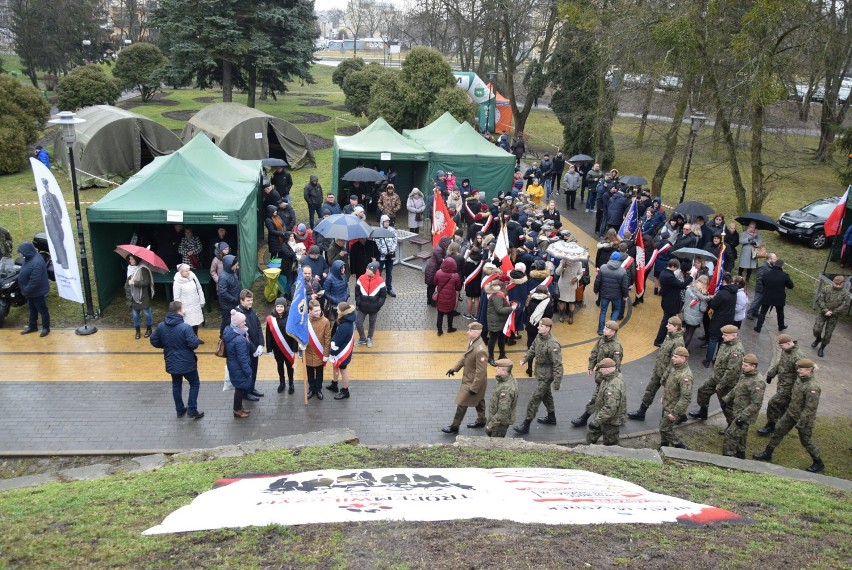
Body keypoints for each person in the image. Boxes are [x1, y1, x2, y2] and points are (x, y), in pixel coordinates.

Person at [753, 359, 824, 473]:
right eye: (798, 368)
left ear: (809, 370)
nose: (798, 371)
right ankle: (768, 453)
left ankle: (818, 462)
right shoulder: (800, 380)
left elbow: (810, 408)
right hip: (791, 413)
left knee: (806, 440)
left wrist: (801, 423)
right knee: (779, 430)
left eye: (801, 369)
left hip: (804, 419)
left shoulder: (813, 387)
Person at [149, 300, 203, 420]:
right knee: (194, 383)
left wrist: (165, 346)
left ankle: (179, 410)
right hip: (187, 362)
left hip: (171, 361)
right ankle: (192, 409)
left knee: (176, 385)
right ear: (179, 311)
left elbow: (154, 340)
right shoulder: (185, 327)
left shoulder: (161, 326)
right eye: (183, 309)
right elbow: (194, 344)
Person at [628, 316, 685, 421]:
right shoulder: (669, 336)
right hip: (659, 370)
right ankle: (641, 412)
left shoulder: (678, 342)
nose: (667, 326)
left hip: (668, 374)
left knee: (670, 396)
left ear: (676, 327)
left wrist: (668, 375)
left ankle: (681, 416)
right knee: (650, 390)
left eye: (669, 325)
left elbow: (675, 361)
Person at [513, 317, 563, 434]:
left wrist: (557, 382)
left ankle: (526, 424)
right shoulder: (539, 337)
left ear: (548, 328)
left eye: (540, 326)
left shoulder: (553, 345)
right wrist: (525, 359)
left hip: (547, 376)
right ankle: (551, 417)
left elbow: (557, 365)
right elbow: (532, 349)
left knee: (535, 399)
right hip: (540, 372)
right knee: (546, 395)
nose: (538, 327)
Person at [572, 320, 624, 427]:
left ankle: (584, 418)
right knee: (608, 400)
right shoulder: (602, 339)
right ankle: (620, 417)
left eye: (607, 329)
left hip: (608, 379)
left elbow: (615, 366)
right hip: (600, 376)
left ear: (613, 332)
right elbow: (594, 352)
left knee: (597, 398)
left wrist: (606, 379)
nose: (604, 329)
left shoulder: (616, 347)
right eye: (604, 327)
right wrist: (591, 366)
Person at [689, 324, 744, 423]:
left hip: (726, 383)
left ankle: (731, 425)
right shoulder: (726, 343)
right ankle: (703, 412)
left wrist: (720, 385)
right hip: (716, 377)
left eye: (725, 335)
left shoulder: (737, 351)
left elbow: (731, 372)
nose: (723, 336)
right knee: (703, 391)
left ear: (734, 335)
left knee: (726, 405)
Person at [442, 322, 489, 433]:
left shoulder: (481, 350)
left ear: (477, 333)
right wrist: (455, 368)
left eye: (470, 331)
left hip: (473, 382)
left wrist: (474, 388)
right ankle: (482, 420)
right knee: (479, 401)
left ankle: (454, 426)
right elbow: (465, 357)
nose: (467, 332)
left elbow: (481, 372)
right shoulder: (473, 342)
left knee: (462, 402)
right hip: (470, 380)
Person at [720, 353, 765, 458]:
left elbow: (756, 404)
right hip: (738, 410)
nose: (742, 367)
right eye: (743, 364)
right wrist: (726, 399)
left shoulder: (757, 382)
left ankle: (728, 457)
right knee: (741, 434)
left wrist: (742, 418)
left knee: (730, 435)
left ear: (753, 366)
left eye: (745, 365)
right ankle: (740, 453)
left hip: (744, 415)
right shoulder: (745, 374)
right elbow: (737, 388)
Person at [757, 334, 804, 436]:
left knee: (773, 403)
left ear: (789, 343)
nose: (779, 348)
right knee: (782, 407)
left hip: (789, 388)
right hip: (782, 384)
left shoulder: (798, 357)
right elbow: (781, 362)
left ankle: (771, 425)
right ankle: (780, 427)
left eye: (781, 345)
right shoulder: (786, 350)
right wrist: (771, 373)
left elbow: (801, 375)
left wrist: (796, 392)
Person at [585, 358, 627, 445]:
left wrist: (596, 421)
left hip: (611, 421)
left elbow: (610, 408)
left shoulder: (613, 386)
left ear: (608, 369)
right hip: (602, 416)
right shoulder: (611, 377)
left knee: (610, 444)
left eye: (601, 369)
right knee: (592, 434)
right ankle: (587, 450)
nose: (599, 371)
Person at [233, 289, 265, 401]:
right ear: (241, 301)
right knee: (247, 371)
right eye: (248, 300)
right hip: (246, 350)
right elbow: (243, 334)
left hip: (255, 347)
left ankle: (251, 388)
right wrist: (253, 348)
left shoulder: (252, 311)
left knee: (254, 370)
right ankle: (246, 393)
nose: (250, 302)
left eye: (251, 300)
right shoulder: (238, 314)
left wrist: (261, 344)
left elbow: (258, 327)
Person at [659, 347, 693, 449]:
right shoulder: (675, 367)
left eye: (675, 357)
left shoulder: (685, 376)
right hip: (667, 403)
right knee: (663, 426)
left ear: (683, 359)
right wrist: (664, 397)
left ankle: (680, 447)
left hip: (673, 407)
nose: (672, 358)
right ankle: (664, 446)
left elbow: (685, 397)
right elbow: (671, 386)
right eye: (673, 356)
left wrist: (675, 413)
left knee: (664, 428)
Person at [223, 309, 254, 418]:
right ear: (237, 323)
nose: (245, 323)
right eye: (243, 322)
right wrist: (248, 371)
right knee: (239, 389)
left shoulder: (230, 332)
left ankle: (239, 408)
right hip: (238, 368)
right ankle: (237, 410)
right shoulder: (239, 340)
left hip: (233, 365)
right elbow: (242, 359)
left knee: (239, 388)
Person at [703, 273, 737, 366]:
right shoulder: (734, 292)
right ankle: (717, 360)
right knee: (722, 341)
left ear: (724, 282)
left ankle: (708, 361)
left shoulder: (722, 293)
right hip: (728, 320)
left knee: (713, 340)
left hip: (718, 319)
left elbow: (714, 305)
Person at [17, 242, 51, 337]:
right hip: (31, 293)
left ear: (27, 252)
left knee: (42, 310)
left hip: (37, 292)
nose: (21, 254)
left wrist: (26, 290)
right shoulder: (30, 258)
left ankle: (46, 328)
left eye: (22, 252)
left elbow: (35, 281)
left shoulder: (36, 263)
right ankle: (32, 326)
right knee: (32, 310)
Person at [811, 275, 850, 357]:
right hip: (823, 313)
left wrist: (832, 312)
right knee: (816, 329)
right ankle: (818, 339)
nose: (838, 285)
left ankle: (822, 347)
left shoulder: (845, 293)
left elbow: (844, 306)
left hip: (834, 316)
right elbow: (820, 300)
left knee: (828, 333)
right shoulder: (826, 289)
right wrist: (825, 310)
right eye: (836, 283)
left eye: (840, 284)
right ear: (833, 282)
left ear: (843, 283)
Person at [266, 297, 298, 395]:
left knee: (289, 366)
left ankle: (291, 383)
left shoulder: (290, 317)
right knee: (280, 365)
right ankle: (282, 382)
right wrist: (269, 349)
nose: (279, 308)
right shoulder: (271, 319)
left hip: (288, 348)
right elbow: (268, 334)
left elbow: (294, 334)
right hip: (277, 348)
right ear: (275, 307)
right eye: (278, 306)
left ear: (285, 307)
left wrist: (294, 348)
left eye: (281, 306)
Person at [594, 251, 630, 336]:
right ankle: (611, 329)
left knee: (603, 311)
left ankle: (600, 330)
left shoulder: (603, 268)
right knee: (616, 310)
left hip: (604, 294)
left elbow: (597, 281)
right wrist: (625, 296)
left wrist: (596, 290)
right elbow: (624, 286)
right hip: (616, 296)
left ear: (610, 257)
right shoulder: (622, 271)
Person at [753, 259, 793, 333]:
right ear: (782, 266)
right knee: (780, 312)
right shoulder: (784, 275)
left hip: (767, 295)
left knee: (762, 312)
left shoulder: (767, 274)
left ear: (774, 264)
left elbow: (763, 282)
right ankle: (781, 326)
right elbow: (791, 286)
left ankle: (758, 327)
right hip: (779, 297)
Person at [327, 301, 356, 400]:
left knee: (343, 370)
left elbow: (338, 340)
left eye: (338, 309)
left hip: (341, 352)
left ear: (343, 312)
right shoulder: (347, 320)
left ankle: (345, 390)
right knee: (335, 366)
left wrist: (332, 352)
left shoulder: (345, 325)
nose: (337, 310)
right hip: (341, 350)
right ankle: (334, 384)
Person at [355, 262, 386, 348]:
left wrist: (378, 305)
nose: (367, 270)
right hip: (362, 306)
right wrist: (358, 302)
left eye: (369, 269)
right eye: (367, 268)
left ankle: (369, 338)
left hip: (374, 308)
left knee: (372, 323)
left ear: (375, 271)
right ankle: (362, 338)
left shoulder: (380, 281)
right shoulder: (361, 278)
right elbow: (357, 292)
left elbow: (383, 295)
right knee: (358, 322)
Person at [305, 299, 331, 399]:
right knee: (309, 372)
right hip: (307, 351)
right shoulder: (304, 321)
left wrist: (326, 354)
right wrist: (300, 348)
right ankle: (312, 389)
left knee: (319, 373)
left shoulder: (325, 321)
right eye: (315, 311)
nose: (318, 312)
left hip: (320, 352)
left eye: (319, 310)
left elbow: (327, 338)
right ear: (309, 311)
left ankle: (318, 389)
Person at [172, 263, 205, 342]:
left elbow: (199, 288)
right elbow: (176, 297)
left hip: (195, 304)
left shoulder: (192, 276)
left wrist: (202, 300)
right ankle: (187, 339)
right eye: (186, 271)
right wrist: (180, 309)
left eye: (189, 270)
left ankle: (195, 337)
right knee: (187, 324)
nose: (188, 272)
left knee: (196, 322)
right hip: (186, 306)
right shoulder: (177, 282)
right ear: (181, 272)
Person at [485, 276, 514, 365]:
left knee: (502, 338)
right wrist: (512, 308)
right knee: (493, 339)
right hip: (496, 321)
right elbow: (500, 309)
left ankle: (502, 354)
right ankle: (490, 358)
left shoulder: (498, 294)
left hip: (500, 320)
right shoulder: (497, 296)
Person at [487, 358, 519, 438]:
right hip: (496, 419)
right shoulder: (506, 379)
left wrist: (490, 425)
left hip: (498, 424)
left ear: (504, 371)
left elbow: (502, 413)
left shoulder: (506, 389)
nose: (496, 369)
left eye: (498, 368)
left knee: (495, 443)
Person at [125, 254, 154, 340]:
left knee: (147, 313)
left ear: (137, 259)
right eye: (130, 259)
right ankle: (137, 331)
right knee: (135, 315)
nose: (131, 261)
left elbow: (146, 282)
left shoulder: (143, 269)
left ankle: (149, 329)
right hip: (133, 296)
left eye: (132, 259)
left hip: (143, 296)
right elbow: (128, 283)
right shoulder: (129, 269)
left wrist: (135, 282)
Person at [681, 275, 711, 348]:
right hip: (695, 317)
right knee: (690, 333)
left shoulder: (690, 287)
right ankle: (683, 350)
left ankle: (680, 347)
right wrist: (706, 297)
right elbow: (703, 309)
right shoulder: (701, 294)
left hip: (687, 314)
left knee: (687, 331)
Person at [434, 257, 461, 336]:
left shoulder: (438, 272)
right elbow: (458, 287)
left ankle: (439, 330)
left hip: (440, 298)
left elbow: (435, 282)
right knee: (450, 313)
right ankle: (450, 328)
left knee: (440, 314)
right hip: (450, 298)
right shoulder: (455, 275)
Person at [746, 253, 776, 319]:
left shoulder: (770, 267)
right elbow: (759, 278)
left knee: (760, 301)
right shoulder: (763, 267)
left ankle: (755, 311)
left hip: (765, 289)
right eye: (774, 259)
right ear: (770, 259)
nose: (775, 260)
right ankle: (750, 312)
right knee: (756, 301)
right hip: (761, 288)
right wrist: (762, 287)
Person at [217, 255, 240, 337]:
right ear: (230, 265)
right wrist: (233, 299)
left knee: (233, 321)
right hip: (227, 305)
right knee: (226, 322)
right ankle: (222, 337)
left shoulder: (232, 272)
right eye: (236, 265)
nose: (238, 267)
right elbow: (222, 292)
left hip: (234, 303)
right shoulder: (223, 277)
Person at [375, 214, 398, 297]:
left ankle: (389, 288)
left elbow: (395, 241)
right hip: (381, 256)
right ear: (382, 222)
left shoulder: (392, 230)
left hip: (390, 256)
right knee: (379, 273)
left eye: (388, 221)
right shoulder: (378, 231)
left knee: (389, 272)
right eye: (385, 222)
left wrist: (392, 250)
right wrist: (383, 251)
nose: (387, 223)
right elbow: (377, 243)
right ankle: (378, 289)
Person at [556, 257, 582, 323]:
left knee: (572, 302)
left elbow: (580, 274)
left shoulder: (579, 263)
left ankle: (571, 317)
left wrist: (577, 278)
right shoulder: (563, 261)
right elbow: (557, 273)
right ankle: (562, 315)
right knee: (562, 301)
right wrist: (562, 267)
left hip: (573, 285)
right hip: (563, 285)